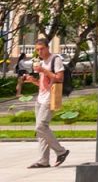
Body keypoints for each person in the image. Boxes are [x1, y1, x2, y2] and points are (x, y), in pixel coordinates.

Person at [23, 39, 70, 169]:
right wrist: (33, 81)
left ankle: (61, 151)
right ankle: (44, 160)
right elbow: (44, 85)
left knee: (40, 126)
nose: (40, 52)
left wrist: (43, 70)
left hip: (51, 98)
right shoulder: (42, 62)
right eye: (37, 50)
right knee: (41, 131)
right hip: (40, 99)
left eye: (42, 49)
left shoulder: (55, 59)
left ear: (47, 48)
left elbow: (60, 78)